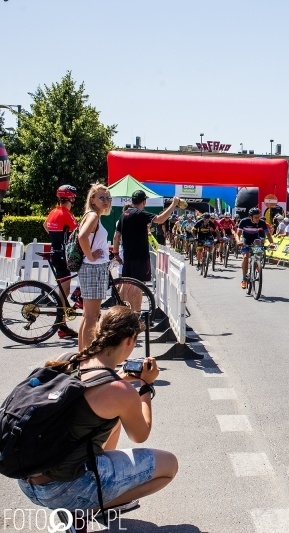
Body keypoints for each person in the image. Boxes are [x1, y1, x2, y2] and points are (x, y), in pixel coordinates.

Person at [18, 306, 178, 520]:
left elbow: (88, 394)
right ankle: (89, 508)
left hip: (27, 479)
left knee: (113, 421)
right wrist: (145, 386)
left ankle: (90, 492)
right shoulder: (119, 391)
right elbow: (140, 435)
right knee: (169, 465)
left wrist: (118, 379)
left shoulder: (68, 360)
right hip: (64, 490)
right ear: (130, 340)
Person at [113, 190, 180, 311]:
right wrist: (173, 204)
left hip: (127, 256)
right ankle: (136, 313)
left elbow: (116, 236)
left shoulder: (124, 215)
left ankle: (120, 312)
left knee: (125, 284)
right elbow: (160, 219)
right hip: (140, 256)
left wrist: (116, 253)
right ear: (144, 201)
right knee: (138, 286)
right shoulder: (141, 214)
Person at [77, 184, 113, 352]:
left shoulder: (92, 215)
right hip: (93, 268)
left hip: (92, 268)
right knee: (92, 317)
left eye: (108, 198)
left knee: (87, 316)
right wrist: (91, 256)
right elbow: (82, 236)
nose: (106, 201)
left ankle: (82, 354)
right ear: (92, 200)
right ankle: (87, 356)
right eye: (101, 198)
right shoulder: (93, 216)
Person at [44, 184, 80, 339]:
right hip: (63, 256)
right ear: (71, 198)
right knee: (64, 291)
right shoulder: (66, 214)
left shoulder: (53, 212)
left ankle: (62, 321)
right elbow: (79, 232)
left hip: (56, 252)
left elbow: (45, 225)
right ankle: (62, 324)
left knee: (63, 290)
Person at [237, 207, 275, 289]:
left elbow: (268, 234)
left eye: (259, 217)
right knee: (245, 257)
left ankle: (257, 262)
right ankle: (244, 279)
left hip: (255, 237)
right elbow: (238, 234)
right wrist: (238, 241)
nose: (258, 219)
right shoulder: (244, 221)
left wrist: (271, 243)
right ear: (251, 217)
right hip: (246, 239)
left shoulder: (262, 222)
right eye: (256, 217)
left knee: (258, 244)